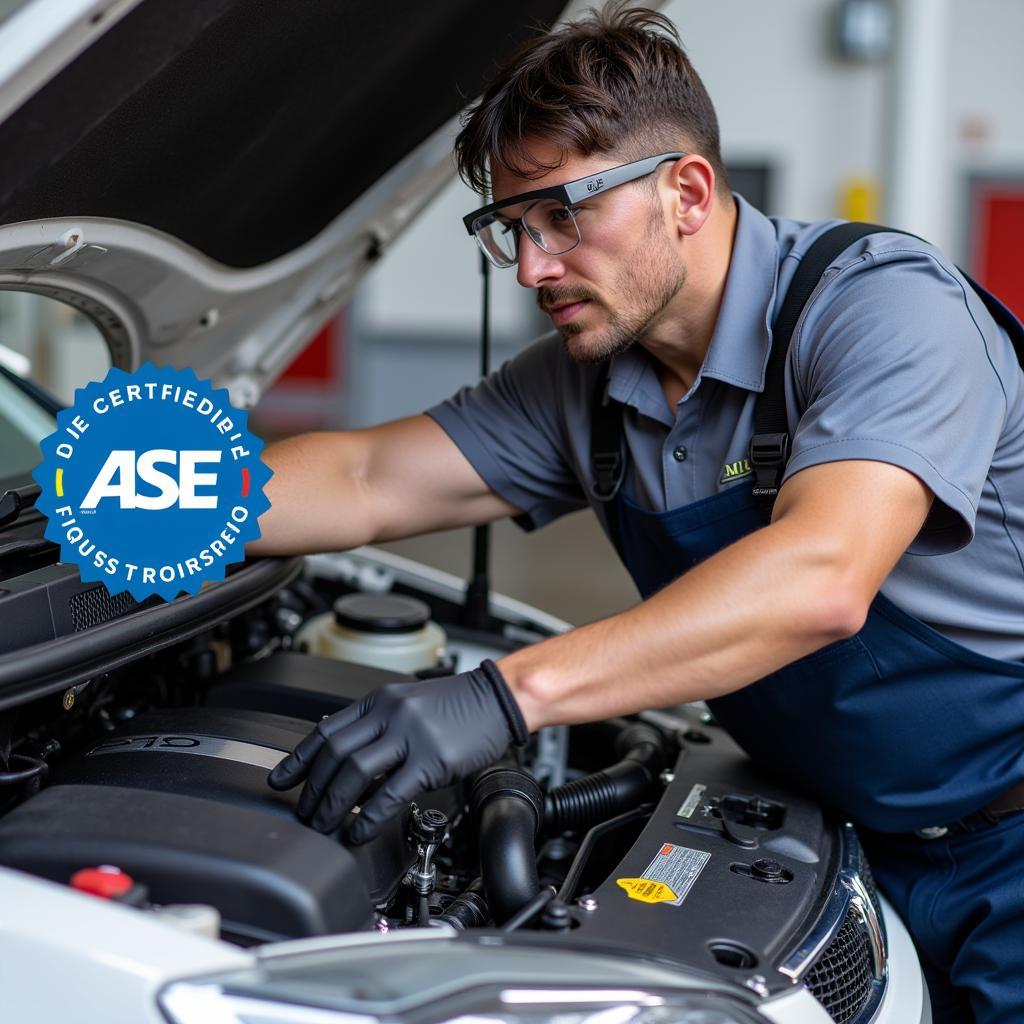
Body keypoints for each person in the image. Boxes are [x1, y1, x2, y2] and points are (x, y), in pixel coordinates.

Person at [252, 6, 1024, 1020]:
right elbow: (363, 479)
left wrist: (502, 696)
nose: (531, 268)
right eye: (510, 231)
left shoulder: (880, 310)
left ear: (688, 192)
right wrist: (108, 501)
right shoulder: (586, 382)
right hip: (844, 842)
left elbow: (820, 578)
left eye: (562, 216)